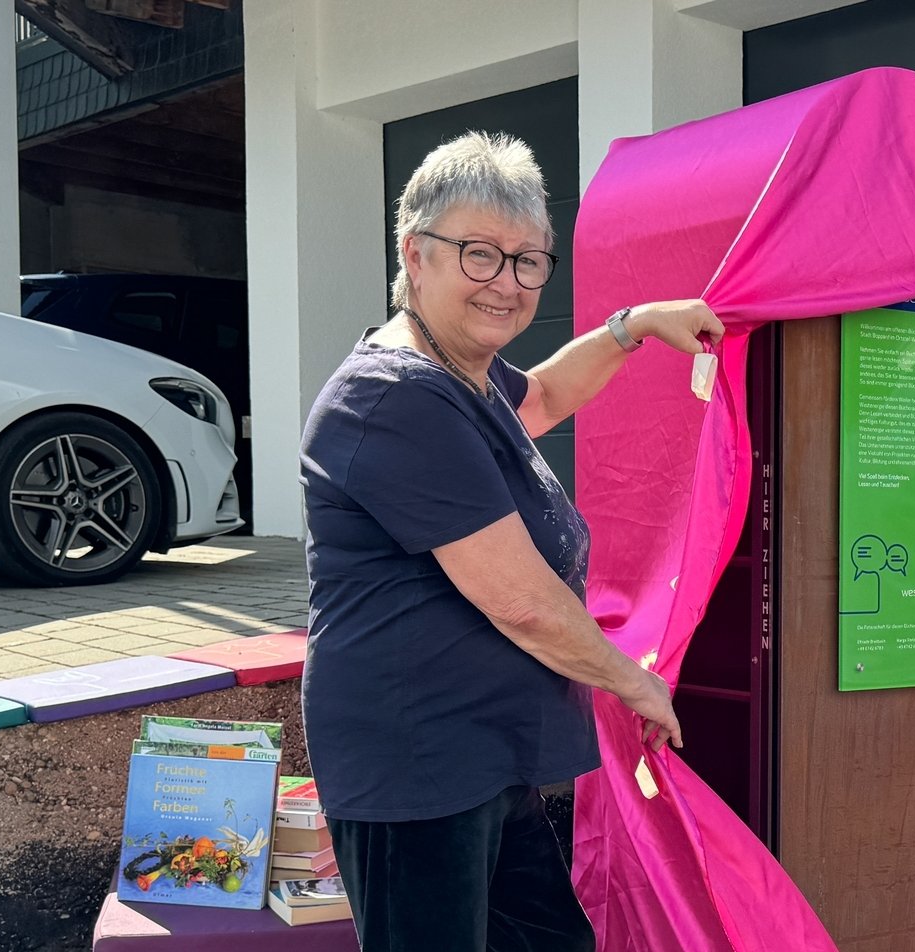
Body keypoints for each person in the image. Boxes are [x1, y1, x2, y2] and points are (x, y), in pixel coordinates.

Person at [299, 130, 722, 951]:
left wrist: (633, 327)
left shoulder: (467, 373)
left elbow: (548, 395)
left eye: (530, 261)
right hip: (416, 764)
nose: (509, 283)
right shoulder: (393, 398)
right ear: (414, 254)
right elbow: (524, 603)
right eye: (481, 255)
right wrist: (633, 684)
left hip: (483, 751)